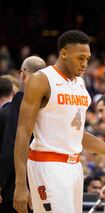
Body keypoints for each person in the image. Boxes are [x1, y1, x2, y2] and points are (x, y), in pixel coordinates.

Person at [13, 30, 105, 213]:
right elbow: (23, 132)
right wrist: (20, 184)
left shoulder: (80, 85)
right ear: (64, 53)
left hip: (74, 167)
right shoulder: (41, 80)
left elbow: (78, 134)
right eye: (80, 58)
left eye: (87, 58)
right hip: (47, 165)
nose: (85, 63)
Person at [0, 56, 46, 213]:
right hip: (47, 179)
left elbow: (12, 143)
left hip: (20, 186)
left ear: (22, 74)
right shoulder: (51, 100)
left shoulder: (22, 97)